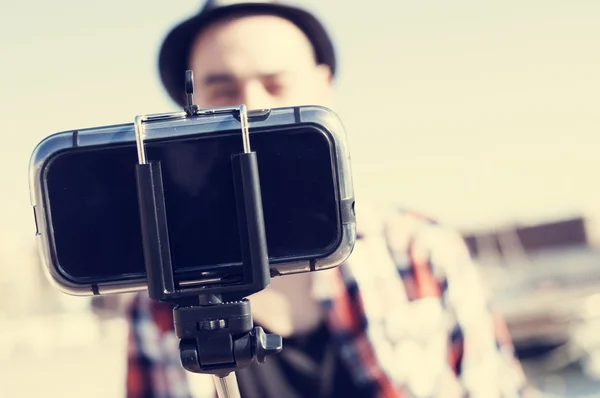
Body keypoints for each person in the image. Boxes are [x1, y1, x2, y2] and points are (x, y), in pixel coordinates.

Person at [126, 1, 532, 397]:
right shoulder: (158, 299)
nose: (249, 106)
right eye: (222, 90)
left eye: (276, 83)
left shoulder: (420, 250)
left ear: (324, 88)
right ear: (189, 112)